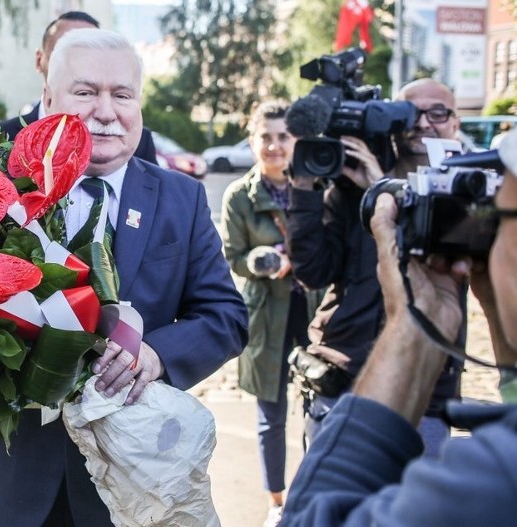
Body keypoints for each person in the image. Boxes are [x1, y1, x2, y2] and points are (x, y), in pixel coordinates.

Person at [0, 28, 249, 527]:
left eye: (121, 94)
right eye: (85, 92)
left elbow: (226, 317)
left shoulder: (182, 199)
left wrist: (157, 354)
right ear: (47, 98)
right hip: (7, 474)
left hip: (125, 484)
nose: (106, 111)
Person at [282, 128, 517, 526]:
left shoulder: (495, 482)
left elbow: (314, 518)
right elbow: (312, 268)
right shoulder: (342, 195)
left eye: (502, 220)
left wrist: (411, 326)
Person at [286, 78, 465, 457]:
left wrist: (383, 189)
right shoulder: (351, 189)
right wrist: (304, 187)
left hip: (426, 386)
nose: (422, 124)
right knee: (333, 511)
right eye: (409, 115)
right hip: (344, 375)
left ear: (455, 122)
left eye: (437, 113)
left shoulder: (469, 188)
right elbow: (313, 272)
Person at [220, 100, 321, 527]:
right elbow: (234, 256)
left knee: (321, 408)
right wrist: (263, 258)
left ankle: (316, 493)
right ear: (252, 140)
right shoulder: (238, 196)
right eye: (267, 137)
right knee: (272, 413)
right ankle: (277, 502)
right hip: (267, 313)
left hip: (316, 312)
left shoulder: (317, 185)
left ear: (296, 141)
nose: (275, 146)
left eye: (283, 137)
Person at [0, 11, 158, 165]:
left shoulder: (138, 141)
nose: (105, 114)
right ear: (39, 60)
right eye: (61, 50)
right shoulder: (1, 137)